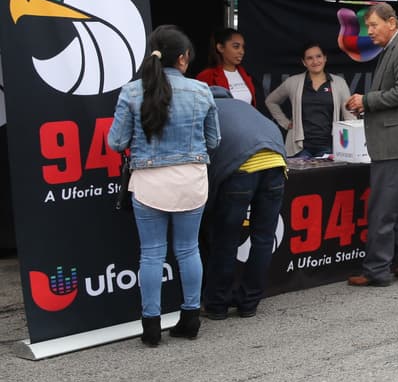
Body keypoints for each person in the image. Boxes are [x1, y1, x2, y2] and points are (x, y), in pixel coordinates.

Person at [107, 26, 220, 346]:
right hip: (191, 179)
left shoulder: (131, 92)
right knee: (188, 249)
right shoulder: (201, 91)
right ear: (183, 58)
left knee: (152, 254)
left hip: (148, 182)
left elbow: (116, 143)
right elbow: (214, 140)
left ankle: (151, 327)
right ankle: (190, 318)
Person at [344, 3, 398, 287]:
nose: (369, 33)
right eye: (368, 27)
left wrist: (366, 101)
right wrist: (367, 105)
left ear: (391, 22)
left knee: (382, 208)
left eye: (373, 26)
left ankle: (377, 271)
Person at [203, 85, 288, 320]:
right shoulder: (243, 106)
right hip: (276, 164)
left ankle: (217, 305)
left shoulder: (206, 109)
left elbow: (208, 160)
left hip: (241, 171)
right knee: (263, 239)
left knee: (226, 239)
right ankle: (249, 303)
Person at [264, 42, 356, 157]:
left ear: (325, 58)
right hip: (300, 147)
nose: (315, 61)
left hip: (330, 146)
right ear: (304, 62)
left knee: (327, 175)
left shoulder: (339, 83)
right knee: (299, 175)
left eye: (318, 56)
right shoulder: (293, 82)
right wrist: (285, 123)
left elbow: (349, 116)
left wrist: (350, 145)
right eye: (309, 58)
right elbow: (271, 101)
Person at [196, 27, 257, 107]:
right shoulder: (206, 76)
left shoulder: (244, 74)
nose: (242, 52)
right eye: (236, 46)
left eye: (243, 47)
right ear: (220, 48)